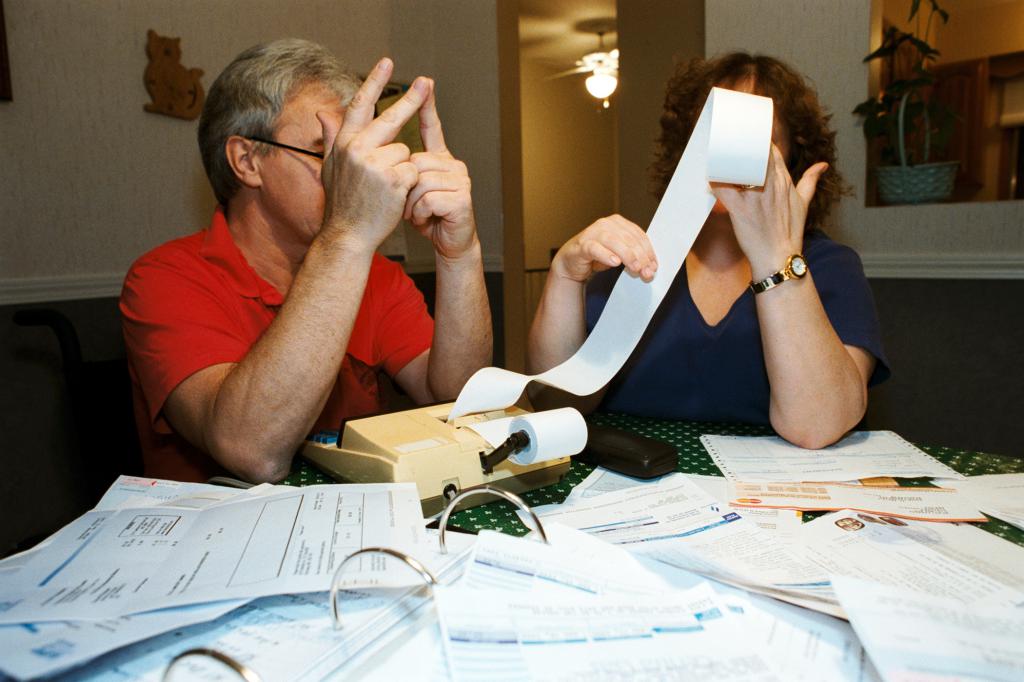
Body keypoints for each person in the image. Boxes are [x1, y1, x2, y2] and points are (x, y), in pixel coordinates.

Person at [121, 40, 491, 483]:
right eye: (331, 155)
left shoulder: (377, 276)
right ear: (247, 161)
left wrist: (459, 253)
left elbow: (458, 399)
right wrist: (349, 233)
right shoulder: (164, 279)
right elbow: (252, 451)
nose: (353, 174)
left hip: (356, 526)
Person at [528, 52, 889, 449]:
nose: (730, 153)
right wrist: (565, 275)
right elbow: (558, 405)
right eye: (714, 133)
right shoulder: (634, 260)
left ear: (790, 159)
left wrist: (776, 258)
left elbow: (817, 426)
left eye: (754, 137)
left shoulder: (829, 267)